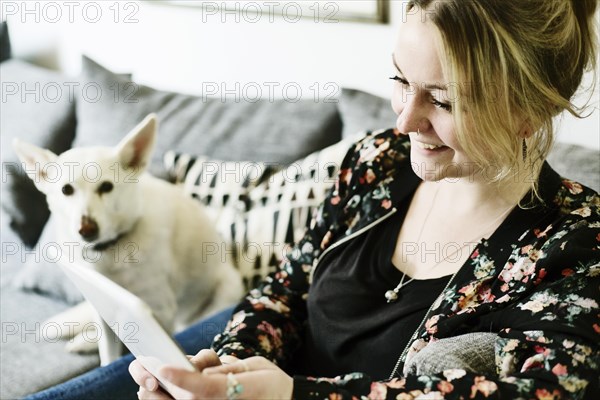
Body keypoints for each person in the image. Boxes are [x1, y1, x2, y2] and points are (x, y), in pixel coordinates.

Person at [28, 0, 598, 399]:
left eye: (444, 102)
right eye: (400, 81)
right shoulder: (377, 162)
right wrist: (228, 363)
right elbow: (284, 292)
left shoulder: (577, 245)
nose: (404, 120)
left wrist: (291, 396)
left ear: (530, 109)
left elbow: (542, 390)